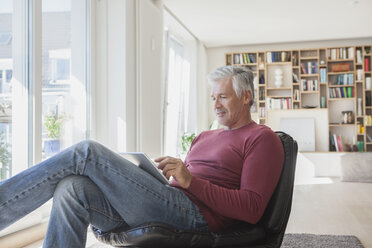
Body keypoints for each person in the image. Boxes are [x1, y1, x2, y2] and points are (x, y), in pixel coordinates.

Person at [0, 66, 284, 247]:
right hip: (170, 201)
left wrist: (190, 181)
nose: (216, 105)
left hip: (197, 216)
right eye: (213, 98)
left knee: (86, 152)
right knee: (72, 187)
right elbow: (184, 184)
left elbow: (252, 208)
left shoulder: (262, 138)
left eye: (223, 97)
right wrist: (163, 177)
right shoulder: (204, 136)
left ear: (246, 97)